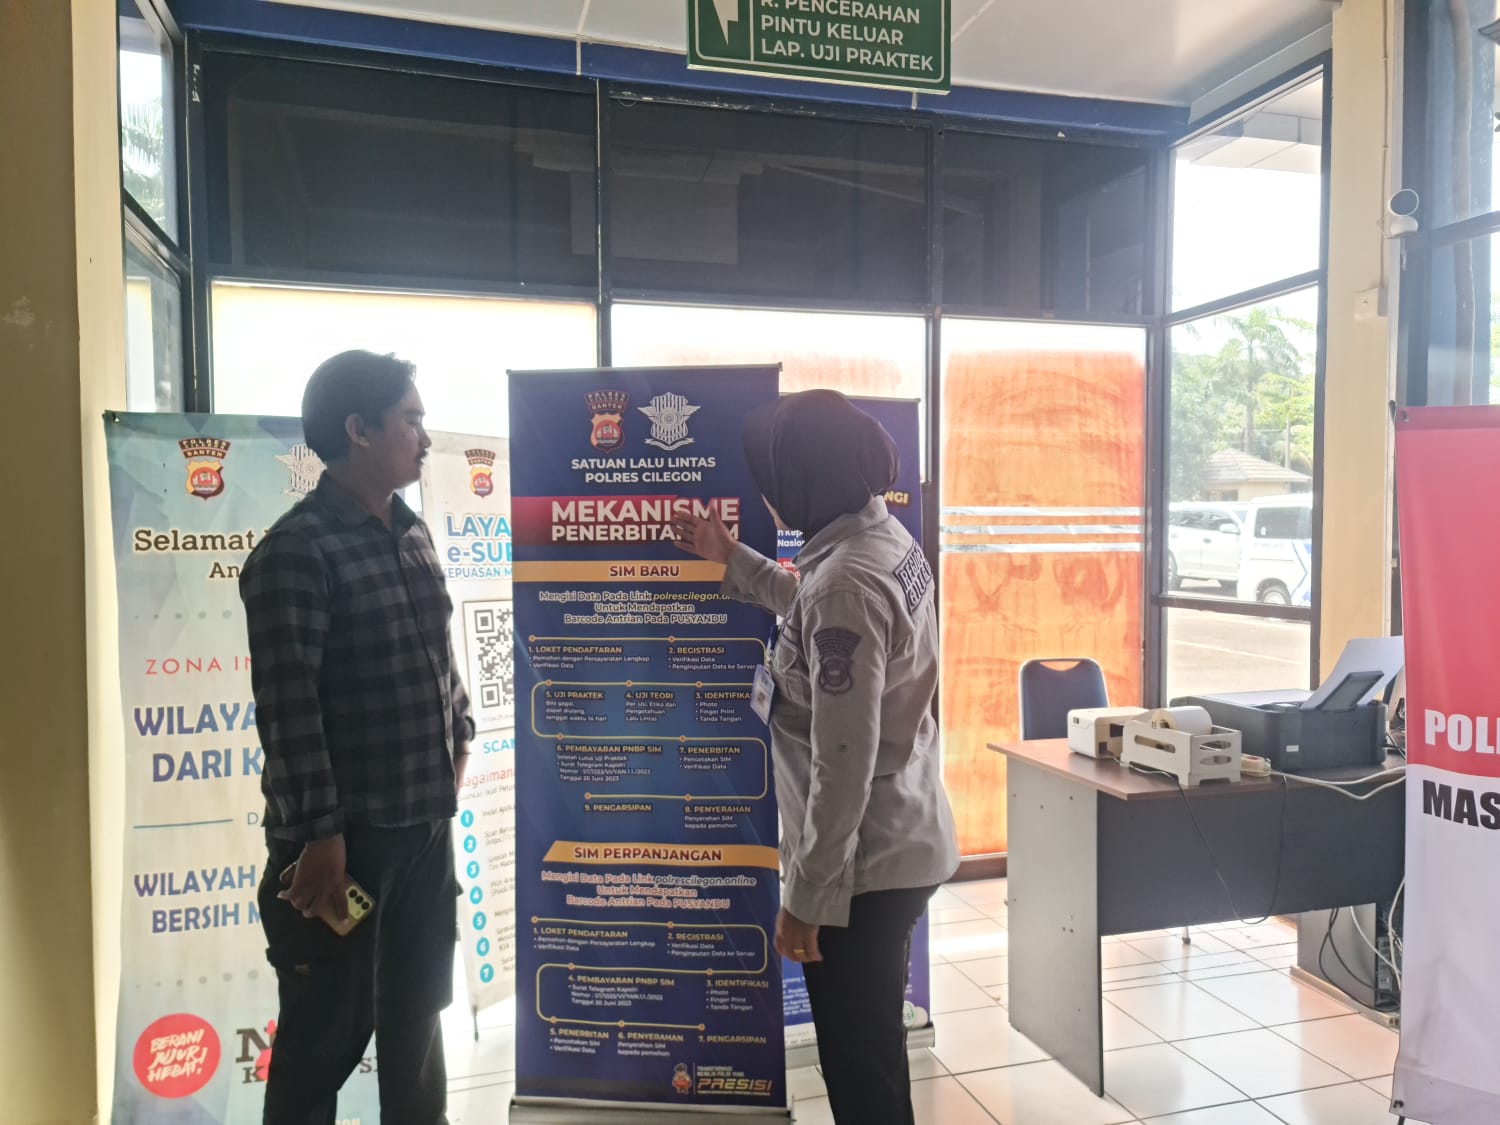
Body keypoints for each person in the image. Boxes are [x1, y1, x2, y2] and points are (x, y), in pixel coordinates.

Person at [672, 389, 959, 1125]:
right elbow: (814, 609)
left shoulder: (845, 581)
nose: (766, 495)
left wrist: (806, 898)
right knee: (873, 1056)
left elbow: (843, 760)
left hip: (862, 868)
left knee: (861, 1073)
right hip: (900, 835)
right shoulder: (879, 539)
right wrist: (732, 557)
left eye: (772, 479)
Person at [240, 350, 472, 1125]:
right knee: (320, 1041)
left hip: (424, 832)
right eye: (410, 420)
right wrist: (321, 835)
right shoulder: (296, 551)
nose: (425, 438)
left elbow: (438, 659)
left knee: (417, 1025)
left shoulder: (411, 533)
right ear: (358, 430)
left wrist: (459, 739)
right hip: (344, 848)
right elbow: (289, 708)